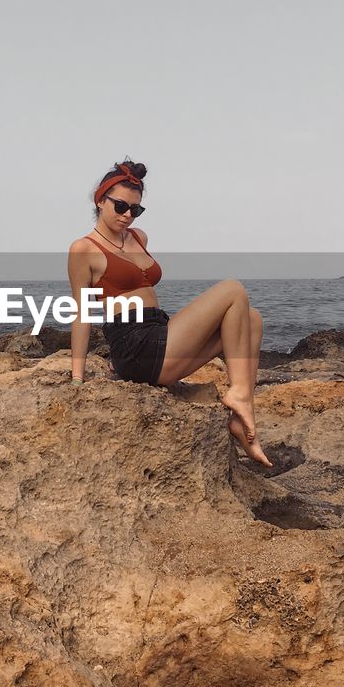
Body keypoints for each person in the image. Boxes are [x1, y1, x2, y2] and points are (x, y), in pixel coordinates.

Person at [66, 158, 273, 468]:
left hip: (158, 334)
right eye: (121, 206)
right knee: (233, 289)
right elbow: (82, 313)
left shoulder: (138, 238)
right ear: (100, 199)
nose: (127, 216)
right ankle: (241, 397)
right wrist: (77, 380)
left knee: (252, 319)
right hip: (135, 346)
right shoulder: (83, 249)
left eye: (135, 210)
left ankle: (239, 417)